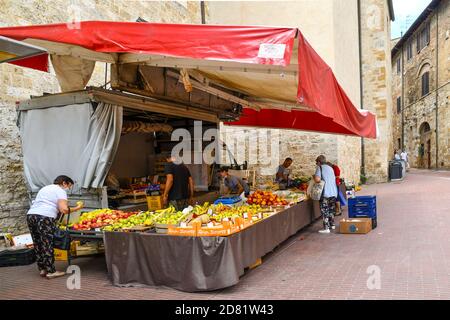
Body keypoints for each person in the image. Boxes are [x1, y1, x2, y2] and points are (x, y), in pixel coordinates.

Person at [27, 175, 84, 279]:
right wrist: (78, 208)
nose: (68, 189)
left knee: (38, 243)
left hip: (31, 215)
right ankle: (51, 271)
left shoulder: (45, 188)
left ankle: (42, 269)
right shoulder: (60, 190)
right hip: (45, 217)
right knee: (47, 243)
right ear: (64, 183)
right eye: (69, 186)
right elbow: (64, 210)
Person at [314, 155, 338, 234]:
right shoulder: (330, 168)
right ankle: (332, 224)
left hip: (325, 192)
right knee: (331, 209)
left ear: (319, 162)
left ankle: (326, 228)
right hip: (333, 192)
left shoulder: (319, 168)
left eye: (316, 162)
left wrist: (314, 177)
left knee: (324, 210)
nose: (316, 164)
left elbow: (317, 179)